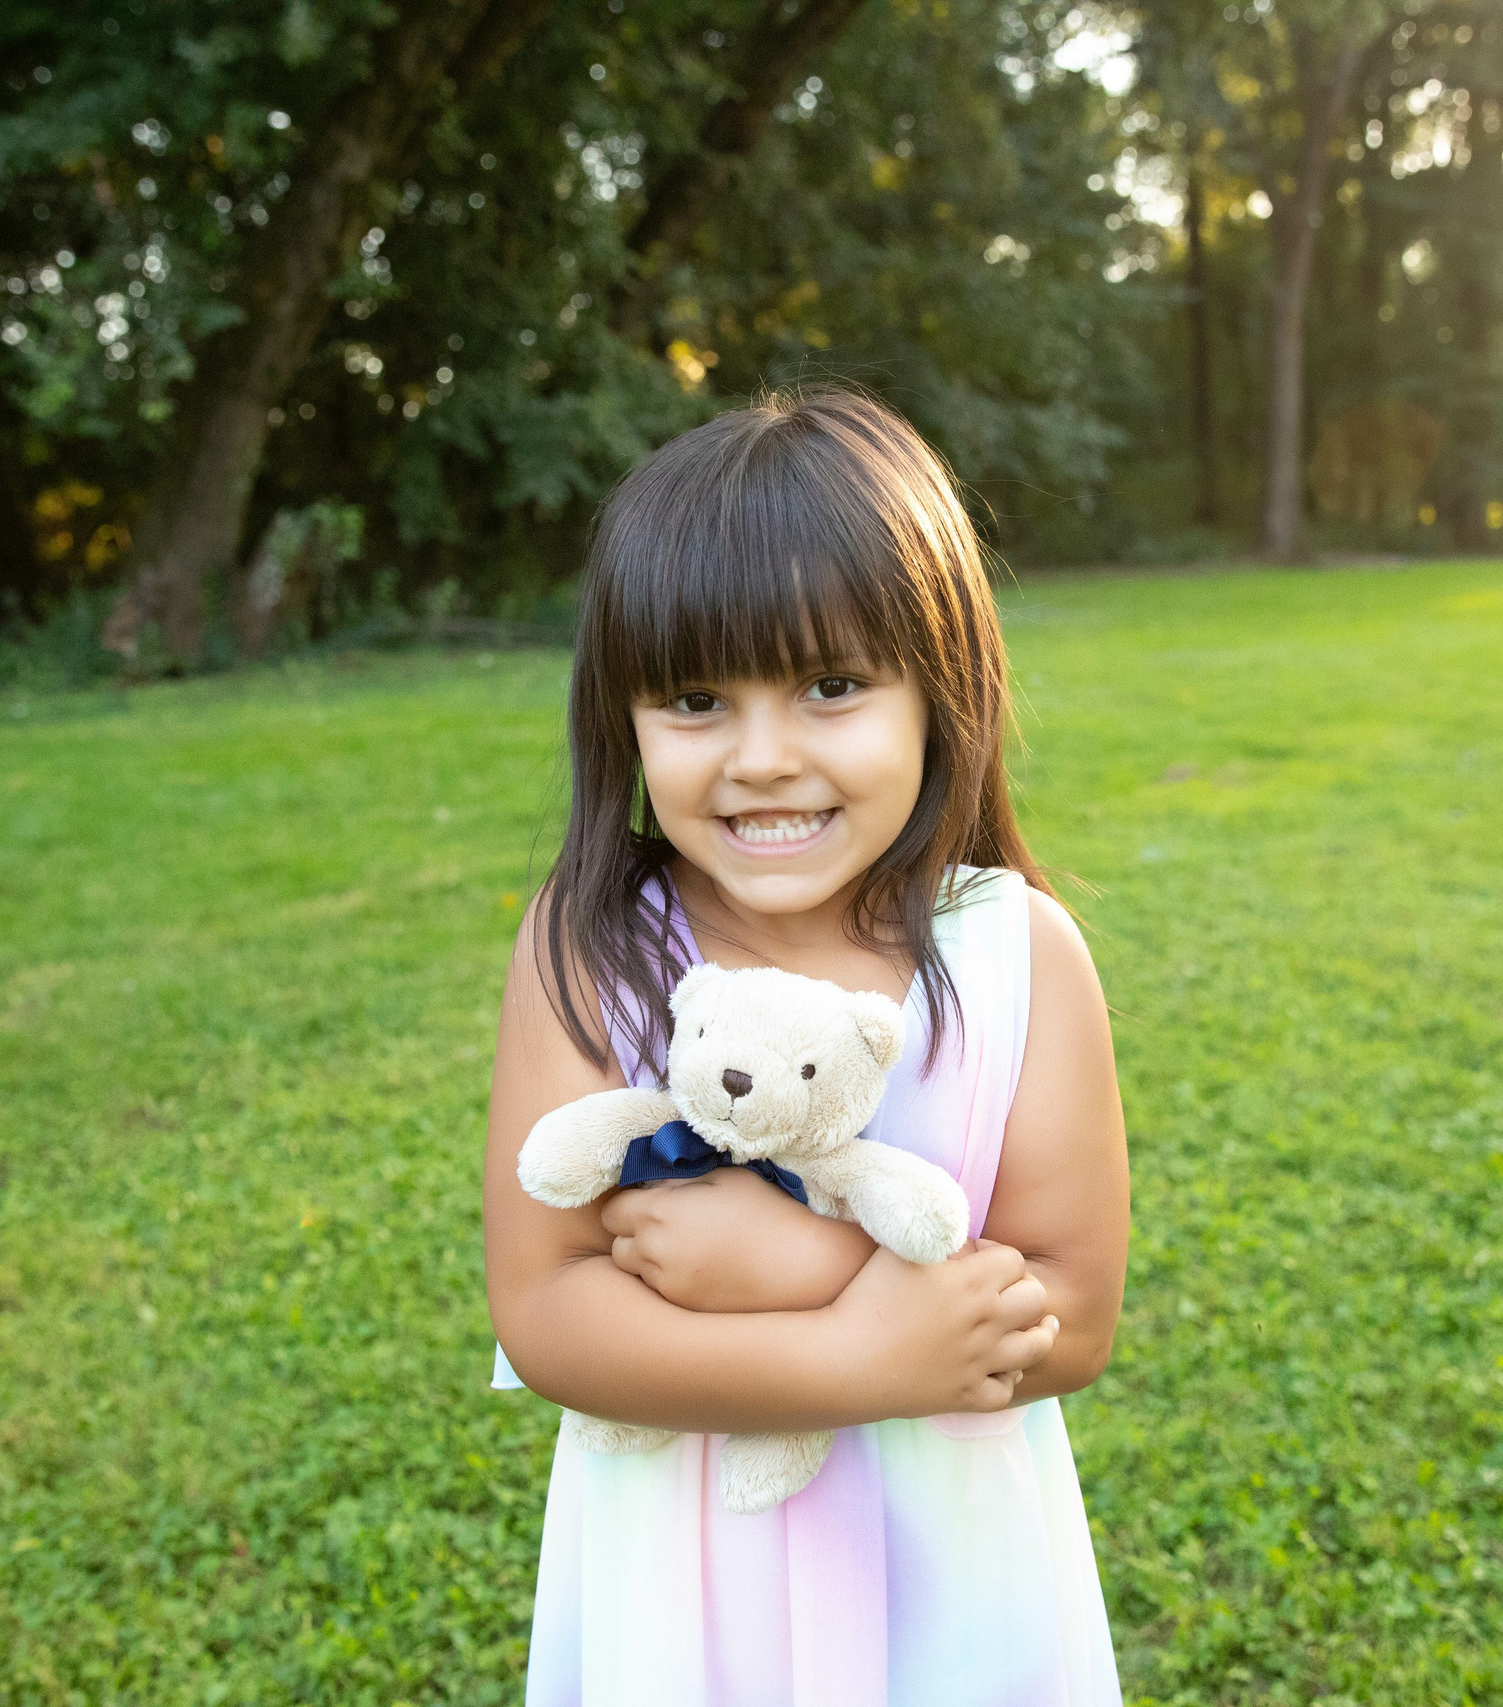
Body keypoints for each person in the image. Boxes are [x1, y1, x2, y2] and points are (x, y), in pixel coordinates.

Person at [483, 387, 1130, 1706]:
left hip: (949, 1577)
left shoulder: (1016, 953)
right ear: (624, 719)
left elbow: (1073, 1313)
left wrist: (803, 1266)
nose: (765, 758)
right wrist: (848, 1353)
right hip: (680, 1594)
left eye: (832, 687)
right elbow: (545, 1307)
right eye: (697, 700)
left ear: (938, 689)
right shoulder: (596, 944)